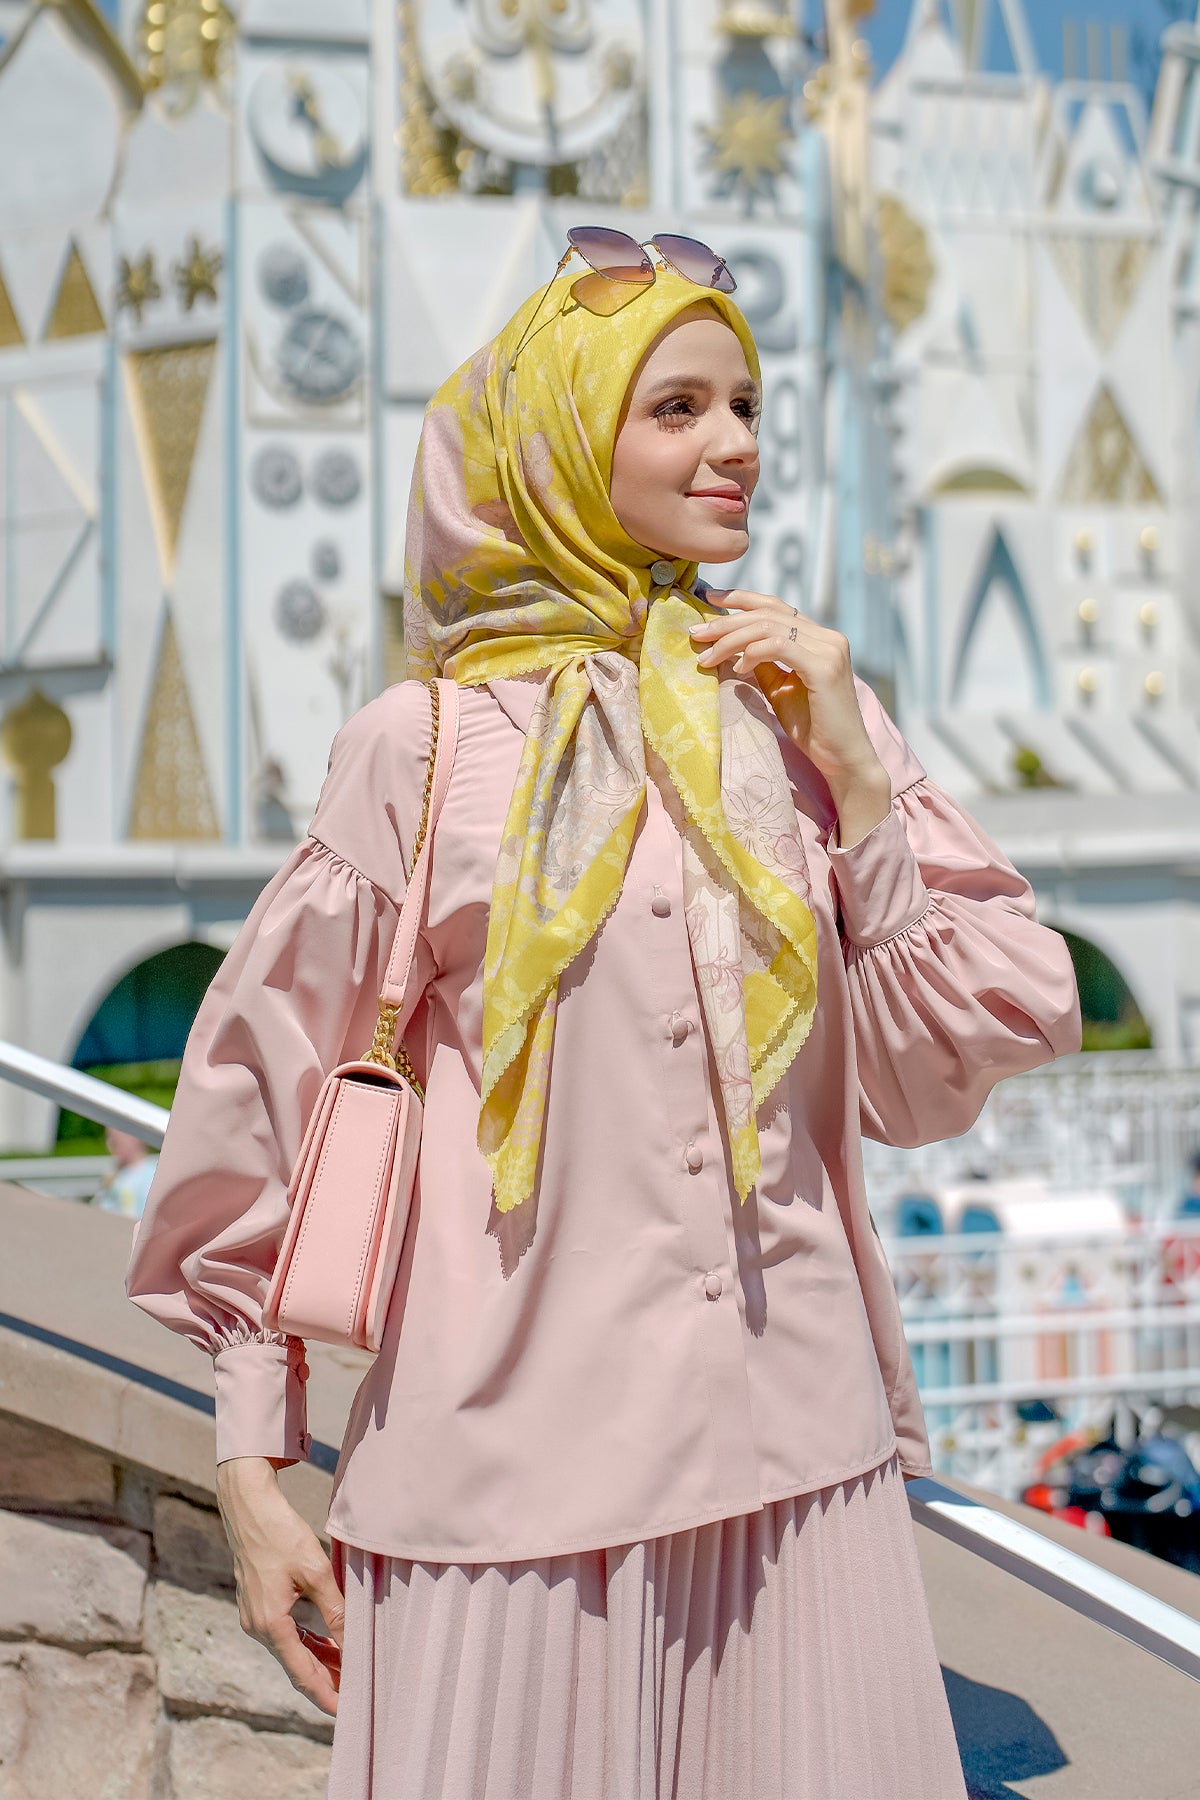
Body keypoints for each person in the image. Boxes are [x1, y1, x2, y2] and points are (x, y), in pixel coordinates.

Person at [125, 240, 1081, 1799]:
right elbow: (261, 1102)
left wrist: (859, 774)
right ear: (562, 438)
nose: (736, 443)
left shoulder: (793, 712)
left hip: (800, 1464)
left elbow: (953, 1051)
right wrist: (250, 1468)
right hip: (510, 1491)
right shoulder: (423, 747)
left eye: (746, 404)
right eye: (678, 408)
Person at [92, 1125, 158, 1220]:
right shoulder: (114, 1175)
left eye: (115, 1139)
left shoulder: (154, 1175)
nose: (109, 1145)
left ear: (134, 1137)